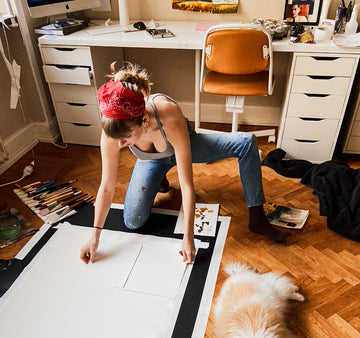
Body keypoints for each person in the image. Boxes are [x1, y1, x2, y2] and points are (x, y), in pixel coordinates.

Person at [80, 62, 288, 265]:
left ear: (144, 121)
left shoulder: (168, 115)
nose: (119, 145)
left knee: (246, 142)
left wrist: (189, 236)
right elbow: (106, 188)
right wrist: (94, 237)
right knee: (132, 221)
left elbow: (187, 184)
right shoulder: (113, 131)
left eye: (125, 139)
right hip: (152, 161)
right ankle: (159, 178)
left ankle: (258, 218)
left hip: (187, 147)